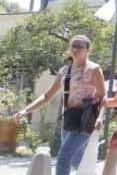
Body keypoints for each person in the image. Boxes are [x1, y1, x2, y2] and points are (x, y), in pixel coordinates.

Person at [13, 35, 106, 175]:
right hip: (69, 119)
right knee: (77, 160)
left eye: (79, 46)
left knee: (63, 157)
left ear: (88, 50)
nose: (75, 49)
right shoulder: (65, 70)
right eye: (73, 46)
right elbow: (47, 96)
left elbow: (103, 96)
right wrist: (26, 110)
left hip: (85, 119)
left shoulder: (94, 69)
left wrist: (100, 117)